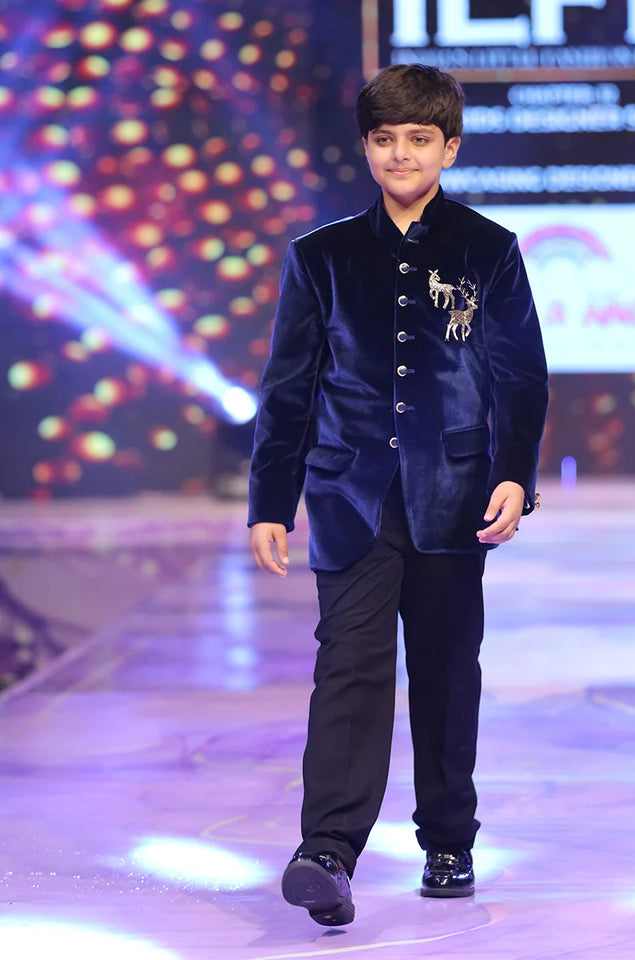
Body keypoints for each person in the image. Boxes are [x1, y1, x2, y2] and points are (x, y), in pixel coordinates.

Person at [248, 63, 548, 926]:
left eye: (420, 139)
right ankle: (327, 851)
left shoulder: (487, 248)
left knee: (449, 669)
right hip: (349, 495)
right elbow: (289, 387)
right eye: (385, 140)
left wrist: (513, 475)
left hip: (455, 496)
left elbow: (519, 378)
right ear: (367, 149)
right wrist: (272, 500)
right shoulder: (323, 256)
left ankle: (449, 838)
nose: (401, 154)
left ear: (449, 147)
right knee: (348, 662)